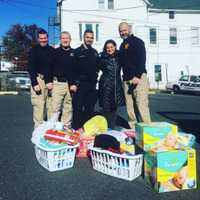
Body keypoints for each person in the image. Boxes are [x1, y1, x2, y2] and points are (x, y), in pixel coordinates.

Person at [119, 22, 151, 129]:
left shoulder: (138, 42)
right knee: (130, 108)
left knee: (141, 105)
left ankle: (147, 131)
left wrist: (137, 76)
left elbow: (142, 60)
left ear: (130, 29)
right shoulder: (122, 45)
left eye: (125, 30)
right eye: (121, 31)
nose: (123, 32)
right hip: (127, 80)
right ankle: (133, 130)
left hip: (139, 78)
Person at [72, 30, 99, 130]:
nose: (89, 39)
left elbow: (98, 68)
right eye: (87, 37)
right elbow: (72, 70)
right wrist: (73, 83)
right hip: (80, 85)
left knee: (89, 109)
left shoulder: (95, 53)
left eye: (91, 38)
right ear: (83, 37)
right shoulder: (77, 52)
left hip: (91, 85)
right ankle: (75, 130)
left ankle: (86, 130)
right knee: (77, 109)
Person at [28, 29, 54, 128]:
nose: (43, 40)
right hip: (38, 80)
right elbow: (31, 68)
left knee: (51, 107)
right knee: (39, 107)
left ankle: (49, 131)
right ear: (38, 39)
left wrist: (51, 81)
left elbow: (54, 67)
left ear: (48, 38)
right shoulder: (33, 50)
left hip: (50, 82)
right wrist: (34, 83)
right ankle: (37, 132)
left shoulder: (52, 50)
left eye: (45, 38)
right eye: (41, 38)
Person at [51, 31, 77, 129]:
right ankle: (52, 128)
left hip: (70, 85)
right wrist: (49, 81)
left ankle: (66, 127)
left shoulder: (74, 53)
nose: (65, 40)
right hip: (58, 83)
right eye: (63, 38)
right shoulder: (55, 52)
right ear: (60, 40)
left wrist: (74, 83)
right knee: (55, 108)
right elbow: (50, 68)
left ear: (70, 40)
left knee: (68, 107)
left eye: (67, 38)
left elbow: (76, 70)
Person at [99, 40, 124, 129]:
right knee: (106, 109)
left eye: (111, 47)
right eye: (107, 48)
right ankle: (105, 129)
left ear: (115, 47)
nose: (109, 49)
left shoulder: (119, 57)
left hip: (117, 86)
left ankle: (111, 128)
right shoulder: (102, 58)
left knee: (114, 109)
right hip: (106, 86)